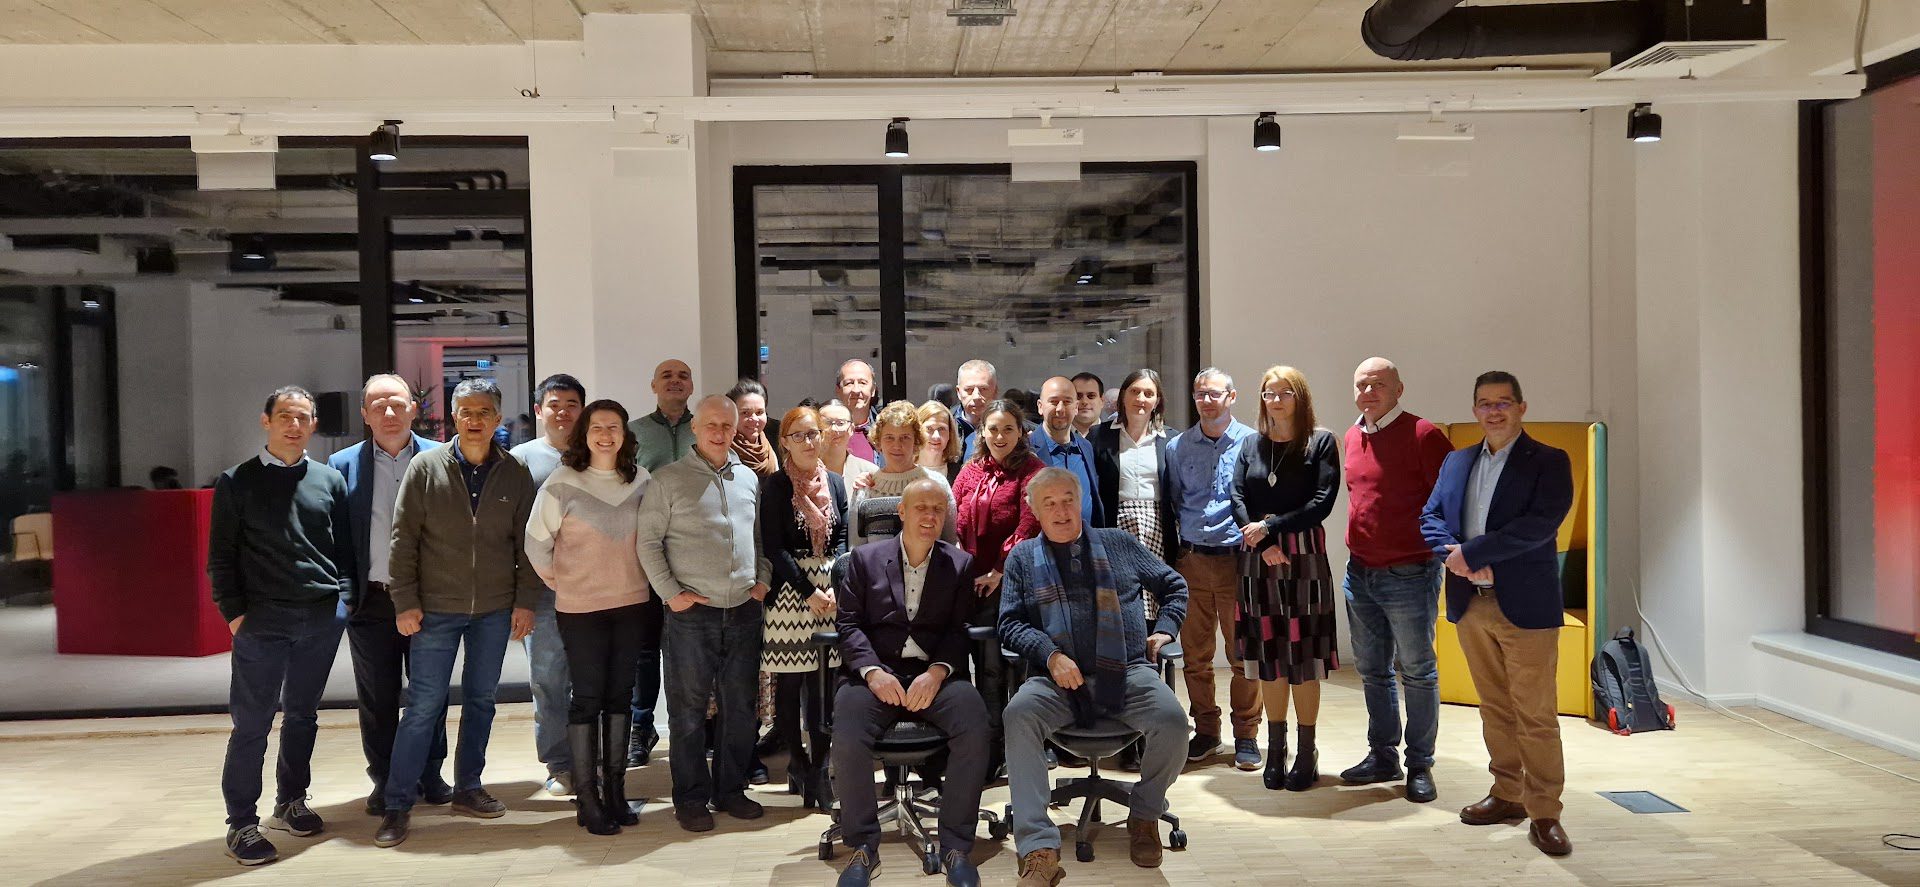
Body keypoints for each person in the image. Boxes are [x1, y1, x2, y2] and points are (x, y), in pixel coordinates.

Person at [1000, 468, 1189, 884]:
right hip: (1054, 680)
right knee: (1018, 715)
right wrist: (1050, 655)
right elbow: (1009, 624)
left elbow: (1174, 585)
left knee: (1174, 722)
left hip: (1126, 672)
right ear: (1035, 511)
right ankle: (1039, 847)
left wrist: (1165, 628)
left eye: (1067, 500)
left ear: (1081, 500)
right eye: (1049, 503)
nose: (1060, 510)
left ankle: (1144, 814)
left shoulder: (1119, 543)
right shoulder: (1022, 558)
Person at [374, 378, 539, 849]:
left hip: (494, 609)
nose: (474, 420)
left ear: (497, 417)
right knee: (423, 706)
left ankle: (469, 787)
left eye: (484, 411)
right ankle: (397, 804)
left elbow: (526, 544)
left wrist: (525, 600)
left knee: (482, 700)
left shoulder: (515, 472)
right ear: (453, 417)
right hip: (434, 610)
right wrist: (405, 602)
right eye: (466, 411)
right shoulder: (426, 468)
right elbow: (403, 539)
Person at [1420, 371, 1575, 857]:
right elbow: (1430, 516)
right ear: (1475, 410)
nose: (1494, 411)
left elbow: (1540, 525)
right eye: (1485, 403)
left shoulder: (1549, 461)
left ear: (1521, 407)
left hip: (1525, 605)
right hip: (1471, 604)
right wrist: (1455, 556)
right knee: (1494, 708)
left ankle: (1545, 811)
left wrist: (1474, 552)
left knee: (1536, 714)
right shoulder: (1456, 460)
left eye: (1503, 402)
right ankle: (1508, 793)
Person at [209, 385, 355, 866]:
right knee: (252, 723)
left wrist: (343, 603)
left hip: (320, 617)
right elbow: (221, 557)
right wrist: (235, 615)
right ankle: (241, 823)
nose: (295, 425)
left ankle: (290, 801)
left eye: (303, 417)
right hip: (262, 621)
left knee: (303, 715)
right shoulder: (236, 481)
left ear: (314, 424)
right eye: (286, 416)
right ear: (266, 421)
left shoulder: (330, 480)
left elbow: (344, 550)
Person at [833, 479, 990, 887]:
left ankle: (956, 846)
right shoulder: (863, 560)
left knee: (975, 722)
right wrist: (872, 672)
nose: (930, 516)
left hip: (932, 674)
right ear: (901, 512)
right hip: (876, 674)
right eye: (921, 507)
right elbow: (848, 625)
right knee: (848, 733)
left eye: (937, 509)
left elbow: (959, 630)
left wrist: (937, 672)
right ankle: (863, 847)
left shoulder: (959, 563)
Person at [637, 394, 773, 833]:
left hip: (744, 611)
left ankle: (730, 790)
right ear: (695, 427)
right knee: (689, 712)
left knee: (741, 708)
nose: (719, 432)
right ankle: (691, 798)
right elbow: (647, 543)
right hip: (691, 616)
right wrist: (671, 594)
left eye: (727, 426)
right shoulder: (667, 480)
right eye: (711, 424)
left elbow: (758, 539)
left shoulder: (747, 477)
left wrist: (762, 580)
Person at [526, 398, 651, 836]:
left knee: (621, 697)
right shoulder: (562, 482)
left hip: (632, 603)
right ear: (585, 434)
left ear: (624, 434)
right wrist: (560, 580)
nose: (605, 435)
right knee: (586, 699)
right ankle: (588, 798)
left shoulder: (641, 480)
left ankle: (615, 792)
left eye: (613, 427)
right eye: (597, 427)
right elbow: (535, 542)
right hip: (580, 609)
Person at [329, 374, 453, 818]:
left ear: (413, 409)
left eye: (397, 404)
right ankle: (384, 778)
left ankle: (430, 773)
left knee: (430, 693)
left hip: (431, 599)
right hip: (373, 601)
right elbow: (338, 538)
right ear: (365, 414)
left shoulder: (442, 458)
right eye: (378, 405)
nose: (388, 412)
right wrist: (349, 597)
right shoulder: (341, 465)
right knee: (377, 697)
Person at [1339, 357, 1455, 804]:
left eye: (1378, 385)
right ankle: (1382, 755)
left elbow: (1449, 498)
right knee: (1372, 670)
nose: (1368, 393)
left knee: (1418, 671)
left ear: (1399, 389)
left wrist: (1446, 552)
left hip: (1410, 572)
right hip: (1360, 571)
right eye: (1361, 385)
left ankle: (1420, 764)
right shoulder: (1352, 436)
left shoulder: (1424, 434)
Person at [1231, 366, 1341, 792]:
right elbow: (1237, 497)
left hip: (1303, 556)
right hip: (1258, 556)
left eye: (1284, 393)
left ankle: (1307, 752)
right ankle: (1275, 750)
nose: (1275, 400)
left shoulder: (1321, 441)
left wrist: (1270, 527)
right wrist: (1262, 542)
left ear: (1300, 396)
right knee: (1269, 656)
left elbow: (1322, 502)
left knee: (1303, 658)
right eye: (1268, 393)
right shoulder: (1251, 444)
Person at [1164, 367, 1263, 769]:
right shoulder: (1178, 446)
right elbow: (1175, 501)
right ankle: (1206, 731)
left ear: (1232, 397)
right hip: (1192, 560)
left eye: (1214, 393)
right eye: (1200, 394)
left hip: (1237, 561)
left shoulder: (1253, 443)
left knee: (1243, 654)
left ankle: (1247, 735)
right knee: (1196, 656)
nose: (1206, 400)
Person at [759, 405, 847, 809]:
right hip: (791, 595)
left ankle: (820, 765)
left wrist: (836, 584)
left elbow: (842, 538)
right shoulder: (776, 486)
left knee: (823, 688)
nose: (808, 442)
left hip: (830, 593)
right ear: (785, 442)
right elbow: (774, 547)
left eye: (814, 434)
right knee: (791, 685)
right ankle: (797, 761)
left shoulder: (835, 482)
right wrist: (808, 590)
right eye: (799, 435)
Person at [950, 399, 1043, 770]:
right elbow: (953, 518)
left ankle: (1013, 749)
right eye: (993, 429)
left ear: (1020, 432)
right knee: (980, 667)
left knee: (1004, 668)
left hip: (1012, 583)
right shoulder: (971, 469)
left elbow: (1029, 525)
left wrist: (999, 571)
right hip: (971, 584)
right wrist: (960, 556)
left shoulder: (1032, 470)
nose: (1000, 436)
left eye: (1008, 429)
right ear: (982, 432)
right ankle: (987, 747)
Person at [508, 373, 585, 798]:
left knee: (592, 679)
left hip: (594, 588)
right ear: (539, 410)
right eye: (554, 404)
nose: (563, 412)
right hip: (540, 592)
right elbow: (511, 531)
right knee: (549, 680)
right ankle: (559, 763)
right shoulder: (520, 460)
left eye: (572, 404)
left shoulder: (599, 453)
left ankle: (592, 759)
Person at [626, 358, 693, 768]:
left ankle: (700, 728)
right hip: (647, 552)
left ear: (691, 385)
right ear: (653, 385)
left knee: (692, 650)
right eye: (666, 375)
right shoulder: (633, 432)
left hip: (695, 554)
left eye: (682, 375)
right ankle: (641, 726)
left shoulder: (705, 428)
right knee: (646, 649)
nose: (674, 381)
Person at [1090, 369, 1177, 565]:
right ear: (1123, 396)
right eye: (1135, 391)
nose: (1141, 398)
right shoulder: (1098, 435)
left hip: (1157, 526)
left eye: (1148, 393)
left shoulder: (1171, 439)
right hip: (1114, 524)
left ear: (1157, 401)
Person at [850, 401, 957, 549]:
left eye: (905, 437)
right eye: (889, 437)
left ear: (916, 441)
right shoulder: (865, 487)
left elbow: (950, 542)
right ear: (878, 442)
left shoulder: (937, 483)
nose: (897, 445)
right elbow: (855, 548)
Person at [1030, 377, 1103, 527]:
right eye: (1054, 401)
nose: (1060, 409)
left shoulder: (1086, 447)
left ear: (1076, 407)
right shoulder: (1026, 448)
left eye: (1067, 402)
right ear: (1040, 406)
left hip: (1087, 538)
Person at [728, 377, 780, 478]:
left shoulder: (774, 443)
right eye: (745, 413)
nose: (754, 419)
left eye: (759, 412)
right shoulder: (723, 449)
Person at [821, 401, 880, 488]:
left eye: (840, 423)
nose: (833, 429)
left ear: (852, 429)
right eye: (827, 423)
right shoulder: (803, 470)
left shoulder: (870, 472)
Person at [838, 359, 880, 463]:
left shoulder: (885, 431)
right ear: (838, 390)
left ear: (873, 390)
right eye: (849, 383)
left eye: (862, 383)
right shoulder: (825, 433)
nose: (856, 390)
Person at [952, 359, 999, 444]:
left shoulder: (1015, 428)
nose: (976, 397)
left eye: (983, 389)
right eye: (969, 389)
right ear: (958, 392)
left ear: (995, 391)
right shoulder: (945, 425)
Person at [917, 399, 964, 482]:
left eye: (941, 429)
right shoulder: (902, 469)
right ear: (917, 431)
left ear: (950, 433)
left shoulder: (960, 474)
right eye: (929, 429)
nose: (936, 436)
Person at [1069, 372, 1104, 439]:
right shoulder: (1054, 437)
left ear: (1102, 401)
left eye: (1091, 396)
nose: (1084, 402)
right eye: (1078, 396)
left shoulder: (1116, 437)